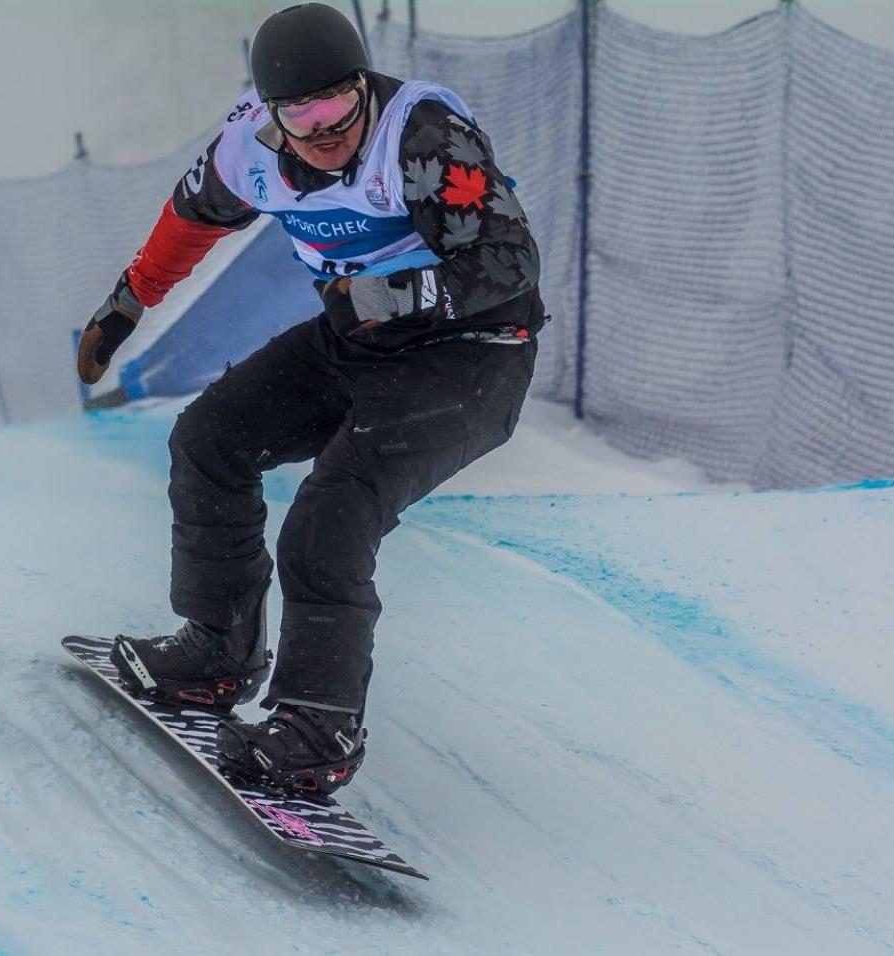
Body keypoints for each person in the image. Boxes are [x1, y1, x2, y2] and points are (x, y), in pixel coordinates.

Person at [77, 2, 543, 797]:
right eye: (305, 113)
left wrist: (388, 298)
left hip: (473, 356)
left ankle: (318, 726)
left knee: (332, 513)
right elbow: (191, 216)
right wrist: (131, 299)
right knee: (210, 439)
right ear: (272, 113)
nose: (327, 129)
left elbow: (509, 264)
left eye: (339, 105)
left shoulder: (420, 135)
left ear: (365, 90)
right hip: (357, 340)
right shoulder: (249, 149)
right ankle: (217, 651)